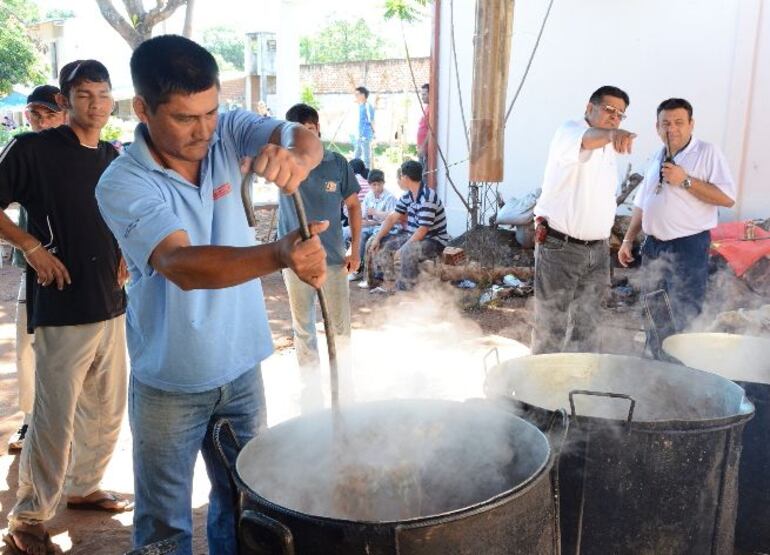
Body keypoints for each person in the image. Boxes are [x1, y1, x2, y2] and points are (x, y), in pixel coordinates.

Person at [95, 35, 325, 554]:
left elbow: (300, 136)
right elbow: (180, 264)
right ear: (142, 109)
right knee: (163, 527)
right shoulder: (123, 182)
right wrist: (280, 254)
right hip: (170, 383)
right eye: (183, 118)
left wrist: (297, 154)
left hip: (243, 367)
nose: (203, 131)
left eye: (210, 112)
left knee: (247, 507)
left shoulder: (225, 132)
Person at [1, 60, 131, 555]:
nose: (94, 104)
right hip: (61, 302)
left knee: (106, 407)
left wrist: (124, 252)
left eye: (102, 94)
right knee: (54, 417)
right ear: (65, 100)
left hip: (110, 300)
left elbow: (120, 214)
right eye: (83, 95)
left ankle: (84, 486)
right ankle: (28, 519)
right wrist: (32, 248)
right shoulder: (33, 149)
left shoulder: (112, 156)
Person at [619, 98, 735, 351]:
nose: (672, 129)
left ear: (691, 124)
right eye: (666, 123)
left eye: (679, 123)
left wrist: (685, 181)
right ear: (657, 127)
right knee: (653, 309)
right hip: (653, 247)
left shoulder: (707, 152)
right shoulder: (656, 155)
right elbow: (643, 202)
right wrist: (628, 239)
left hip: (688, 247)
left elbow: (727, 198)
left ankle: (681, 372)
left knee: (683, 312)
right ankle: (655, 362)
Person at [532, 85, 636, 354]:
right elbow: (587, 138)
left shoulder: (608, 146)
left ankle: (578, 385)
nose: (614, 117)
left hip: (598, 251)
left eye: (620, 115)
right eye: (609, 109)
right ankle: (537, 392)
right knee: (551, 325)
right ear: (589, 107)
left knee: (589, 325)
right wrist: (613, 134)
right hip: (560, 247)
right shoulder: (570, 131)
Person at [279, 103, 361, 411]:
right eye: (297, 135)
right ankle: (310, 391)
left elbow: (353, 205)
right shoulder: (282, 164)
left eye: (309, 133)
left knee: (340, 328)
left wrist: (356, 250)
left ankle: (345, 389)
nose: (305, 142)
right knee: (303, 328)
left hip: (334, 260)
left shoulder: (337, 163)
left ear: (318, 131)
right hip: (295, 262)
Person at [7, 85, 67, 453]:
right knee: (27, 347)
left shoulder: (85, 151)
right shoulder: (23, 152)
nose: (41, 123)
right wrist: (29, 246)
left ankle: (74, 426)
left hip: (85, 272)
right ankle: (31, 420)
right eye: (35, 115)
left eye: (49, 115)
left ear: (64, 115)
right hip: (35, 271)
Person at [367, 160, 450, 291]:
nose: (400, 179)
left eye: (401, 176)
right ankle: (389, 284)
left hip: (434, 240)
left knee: (407, 251)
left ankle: (406, 293)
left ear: (405, 177)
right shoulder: (408, 196)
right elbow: (392, 218)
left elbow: (422, 230)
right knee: (383, 243)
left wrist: (403, 248)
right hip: (415, 236)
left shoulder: (428, 198)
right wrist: (377, 238)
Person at [349, 169, 396, 283]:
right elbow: (363, 213)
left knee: (368, 239)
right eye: (373, 184)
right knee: (353, 234)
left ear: (383, 183)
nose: (376, 187)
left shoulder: (390, 197)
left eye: (379, 184)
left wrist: (375, 213)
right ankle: (354, 267)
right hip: (372, 225)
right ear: (369, 185)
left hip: (385, 228)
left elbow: (393, 217)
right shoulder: (369, 196)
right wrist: (364, 220)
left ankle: (366, 274)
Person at [353, 86, 375, 168]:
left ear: (363, 95)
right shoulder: (360, 106)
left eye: (357, 94)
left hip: (365, 135)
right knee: (356, 156)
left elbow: (372, 121)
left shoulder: (368, 106)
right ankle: (354, 174)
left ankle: (367, 176)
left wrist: (374, 134)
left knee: (366, 158)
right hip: (359, 136)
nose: (356, 96)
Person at [417, 83, 430, 171]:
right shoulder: (427, 107)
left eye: (424, 94)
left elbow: (430, 130)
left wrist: (423, 146)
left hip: (425, 149)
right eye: (422, 95)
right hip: (421, 147)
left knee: (423, 174)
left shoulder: (432, 109)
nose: (422, 97)